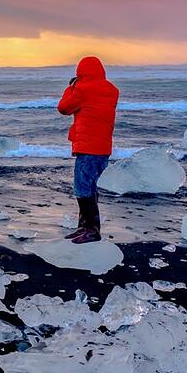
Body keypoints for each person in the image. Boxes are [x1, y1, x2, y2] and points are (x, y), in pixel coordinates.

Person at [57, 56, 119, 244]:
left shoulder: (81, 90)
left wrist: (71, 87)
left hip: (87, 147)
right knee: (92, 187)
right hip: (103, 148)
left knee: (82, 187)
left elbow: (63, 108)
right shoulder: (111, 90)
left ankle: (91, 230)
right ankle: (85, 227)